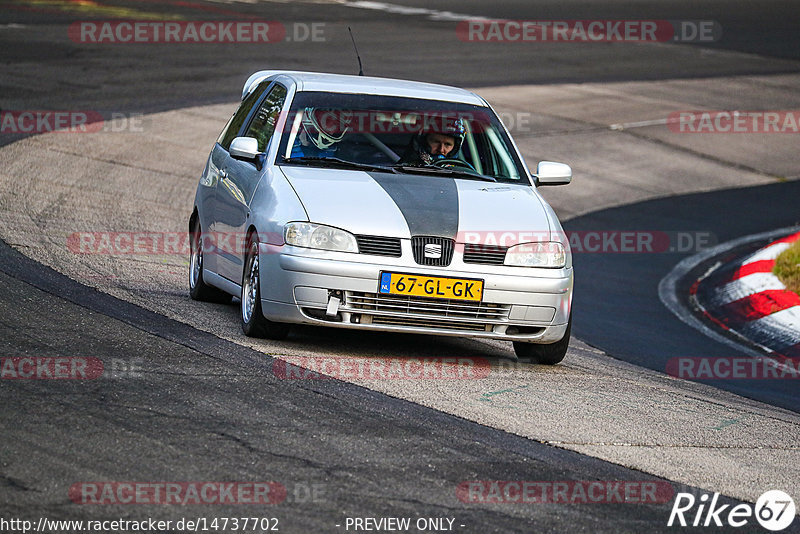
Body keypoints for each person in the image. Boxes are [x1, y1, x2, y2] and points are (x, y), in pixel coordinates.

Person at [398, 116, 465, 166]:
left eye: (448, 144)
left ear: (455, 147)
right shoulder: (403, 170)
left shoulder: (464, 174)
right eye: (436, 142)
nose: (441, 150)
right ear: (423, 141)